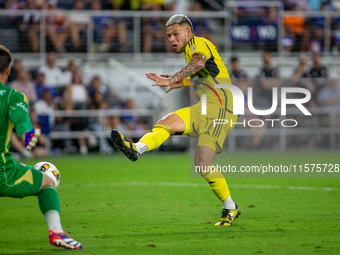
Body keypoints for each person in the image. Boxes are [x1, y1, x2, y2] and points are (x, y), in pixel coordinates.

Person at [110, 14, 241, 226]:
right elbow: (209, 73)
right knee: (166, 122)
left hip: (223, 109)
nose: (172, 39)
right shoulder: (190, 49)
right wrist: (185, 83)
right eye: (169, 35)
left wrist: (173, 78)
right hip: (206, 107)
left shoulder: (198, 44)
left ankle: (230, 208)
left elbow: (199, 63)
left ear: (188, 33)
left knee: (202, 164)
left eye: (175, 34)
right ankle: (136, 149)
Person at [0, 45, 82, 249]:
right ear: (9, 69)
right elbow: (21, 120)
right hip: (3, 171)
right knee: (47, 182)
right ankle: (57, 232)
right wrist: (28, 134)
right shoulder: (12, 96)